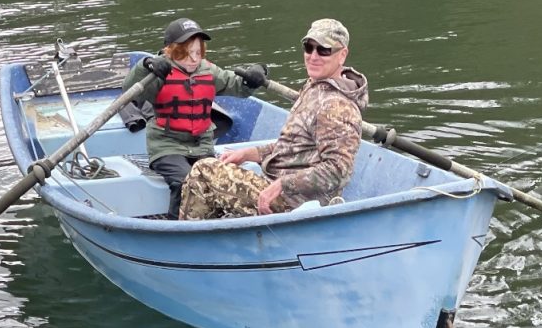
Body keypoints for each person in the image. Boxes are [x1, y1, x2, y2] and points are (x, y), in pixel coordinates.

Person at [179, 18, 368, 220]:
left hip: (296, 204)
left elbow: (338, 171)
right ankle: (216, 231)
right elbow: (295, 146)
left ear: (342, 55)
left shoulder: (337, 106)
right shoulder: (316, 86)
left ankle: (188, 239)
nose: (313, 56)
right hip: (281, 186)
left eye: (324, 50)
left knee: (203, 170)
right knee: (219, 164)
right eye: (308, 47)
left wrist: (282, 184)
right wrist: (251, 153)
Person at [122, 17, 268, 218]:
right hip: (167, 147)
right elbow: (131, 91)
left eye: (198, 53)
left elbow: (238, 86)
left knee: (215, 180)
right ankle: (178, 228)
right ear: (170, 52)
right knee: (185, 181)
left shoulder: (209, 71)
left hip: (202, 145)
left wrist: (256, 76)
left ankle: (216, 221)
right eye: (186, 53)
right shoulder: (158, 73)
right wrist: (144, 65)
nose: (193, 59)